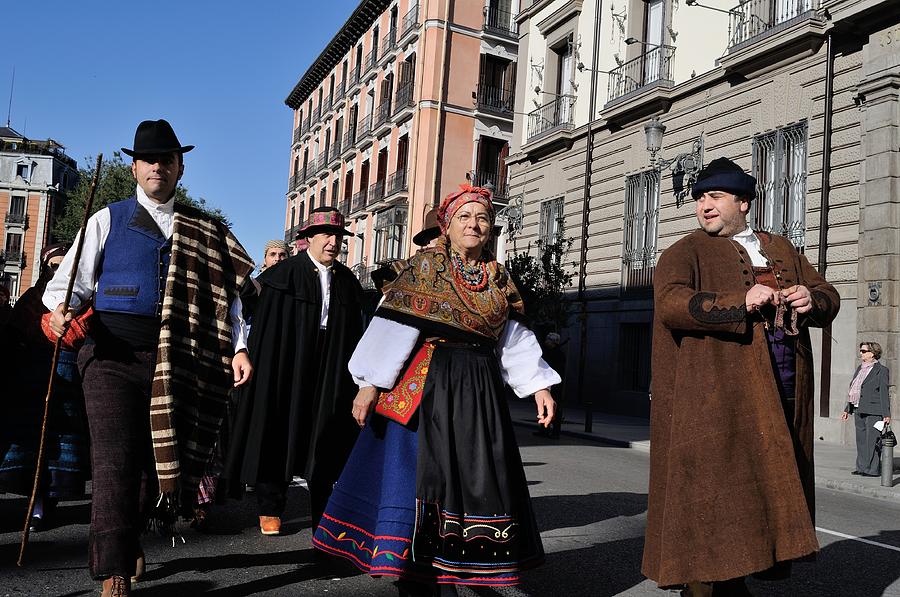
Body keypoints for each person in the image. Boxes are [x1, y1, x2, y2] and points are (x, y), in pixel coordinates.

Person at [313, 185, 560, 596]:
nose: (474, 225)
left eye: (481, 218)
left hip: (480, 390)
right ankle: (418, 568)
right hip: (431, 385)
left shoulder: (498, 278)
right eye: (464, 217)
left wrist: (539, 387)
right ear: (448, 226)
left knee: (477, 478)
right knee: (426, 478)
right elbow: (396, 325)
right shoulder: (426, 267)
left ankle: (466, 562)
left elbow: (512, 339)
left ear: (491, 227)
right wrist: (369, 384)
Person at [44, 119, 254, 597]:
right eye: (149, 159)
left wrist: (239, 347)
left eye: (167, 159)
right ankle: (112, 569)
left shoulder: (204, 229)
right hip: (111, 355)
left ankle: (132, 536)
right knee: (115, 458)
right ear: (135, 167)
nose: (158, 166)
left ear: (180, 168)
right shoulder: (107, 218)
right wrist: (62, 311)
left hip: (178, 357)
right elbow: (68, 286)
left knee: (156, 462)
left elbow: (229, 298)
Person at [642, 157, 841, 596]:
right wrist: (741, 299)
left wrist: (812, 298)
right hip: (717, 399)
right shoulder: (685, 251)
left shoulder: (782, 248)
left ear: (744, 202)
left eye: (715, 197)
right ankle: (708, 584)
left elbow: (829, 293)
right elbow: (672, 304)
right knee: (718, 494)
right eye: (699, 199)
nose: (704, 206)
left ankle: (740, 575)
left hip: (785, 390)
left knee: (760, 491)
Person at [225, 206, 364, 538]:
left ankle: (326, 514)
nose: (333, 242)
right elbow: (242, 314)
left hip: (331, 363)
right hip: (285, 362)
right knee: (278, 427)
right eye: (326, 235)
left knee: (327, 432)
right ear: (309, 239)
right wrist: (241, 350)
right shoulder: (280, 276)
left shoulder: (347, 281)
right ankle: (270, 505)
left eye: (338, 237)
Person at [0, 244, 90, 531]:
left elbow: (80, 330)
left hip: (66, 372)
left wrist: (58, 330)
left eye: (63, 266)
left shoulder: (81, 299)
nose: (57, 271)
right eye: (53, 266)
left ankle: (47, 502)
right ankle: (30, 500)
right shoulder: (32, 297)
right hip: (30, 377)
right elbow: (16, 328)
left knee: (58, 444)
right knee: (30, 444)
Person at [841, 342, 891, 477]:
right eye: (861, 351)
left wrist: (886, 414)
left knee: (872, 441)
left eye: (864, 351)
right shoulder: (860, 368)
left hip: (874, 410)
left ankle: (872, 469)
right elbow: (853, 390)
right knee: (861, 440)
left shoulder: (882, 370)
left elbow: (883, 393)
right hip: (858, 408)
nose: (861, 353)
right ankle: (862, 467)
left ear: (872, 353)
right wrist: (847, 409)